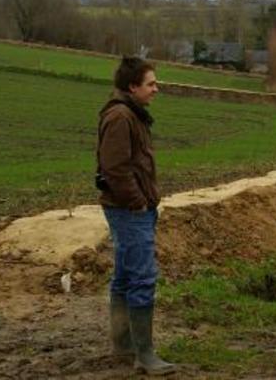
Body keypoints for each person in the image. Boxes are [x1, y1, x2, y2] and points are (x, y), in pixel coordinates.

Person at [96, 56, 176, 376]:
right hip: (129, 209)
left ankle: (123, 344)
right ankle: (144, 354)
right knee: (142, 277)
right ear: (132, 86)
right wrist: (138, 202)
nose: (157, 89)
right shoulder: (120, 116)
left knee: (126, 275)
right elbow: (115, 168)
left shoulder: (131, 114)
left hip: (132, 207)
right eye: (151, 83)